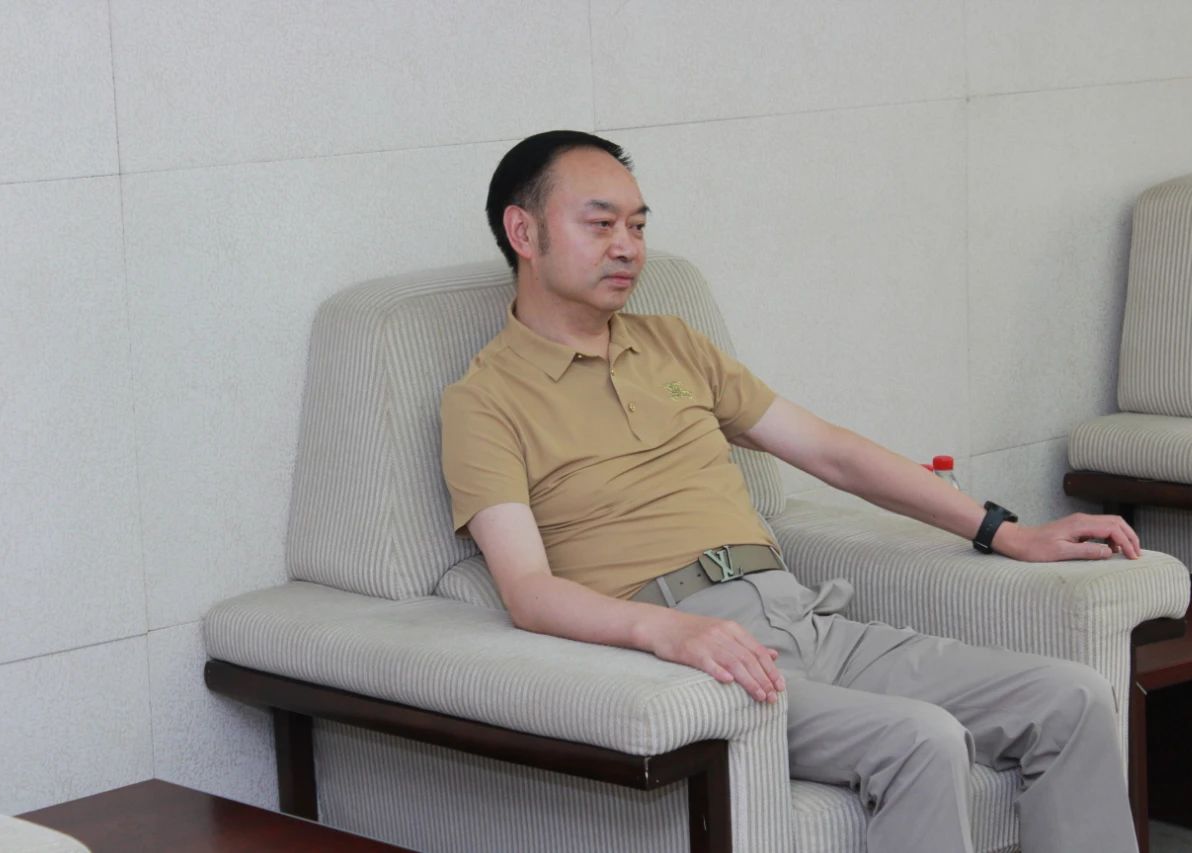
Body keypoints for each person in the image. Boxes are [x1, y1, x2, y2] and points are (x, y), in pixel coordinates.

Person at [440, 130, 1141, 853]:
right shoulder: (485, 401)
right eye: (600, 224)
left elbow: (833, 453)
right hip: (692, 655)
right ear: (523, 232)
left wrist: (1007, 532)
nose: (627, 247)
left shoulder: (673, 343)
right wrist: (665, 631)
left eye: (638, 226)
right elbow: (527, 590)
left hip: (801, 617)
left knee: (1073, 698)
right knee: (922, 739)